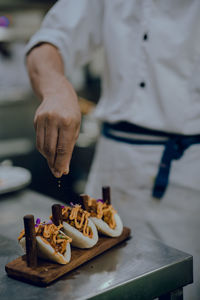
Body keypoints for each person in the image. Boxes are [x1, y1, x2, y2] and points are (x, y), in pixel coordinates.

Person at [25, 1, 200, 298]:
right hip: (115, 162)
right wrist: (56, 89)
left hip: (190, 174)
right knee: (93, 285)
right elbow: (48, 41)